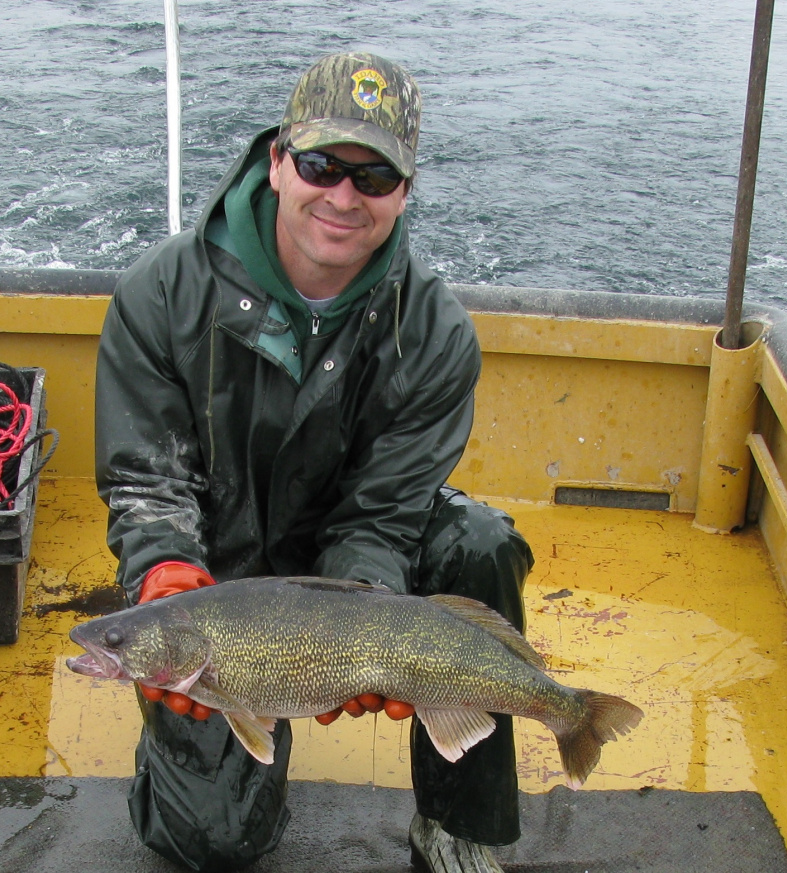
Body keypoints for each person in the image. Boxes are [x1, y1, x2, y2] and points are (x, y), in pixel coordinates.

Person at [95, 50, 534, 873]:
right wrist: (162, 570)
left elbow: (383, 515)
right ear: (277, 161)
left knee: (479, 541)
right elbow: (147, 481)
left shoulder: (435, 333)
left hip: (351, 577)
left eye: (375, 177)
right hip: (214, 579)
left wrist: (366, 606)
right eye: (322, 165)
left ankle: (459, 821)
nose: (342, 195)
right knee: (211, 841)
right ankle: (188, 764)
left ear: (405, 191)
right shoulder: (160, 293)